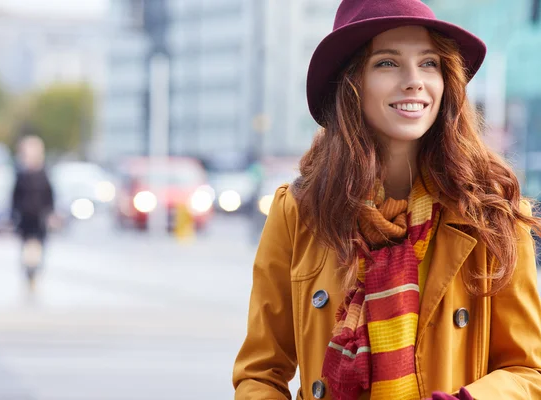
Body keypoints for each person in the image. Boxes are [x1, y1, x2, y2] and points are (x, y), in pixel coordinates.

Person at [232, 0, 541, 399]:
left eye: (429, 63)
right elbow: (260, 372)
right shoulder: (300, 210)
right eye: (387, 63)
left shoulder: (490, 212)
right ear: (351, 82)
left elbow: (529, 369)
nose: (414, 80)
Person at [10, 135, 56, 289]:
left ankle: (34, 273)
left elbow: (50, 197)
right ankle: (29, 274)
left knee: (38, 249)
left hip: (39, 219)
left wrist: (51, 214)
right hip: (25, 219)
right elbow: (14, 198)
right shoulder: (21, 175)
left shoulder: (44, 174)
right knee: (27, 249)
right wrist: (13, 216)